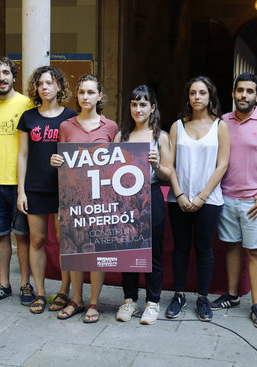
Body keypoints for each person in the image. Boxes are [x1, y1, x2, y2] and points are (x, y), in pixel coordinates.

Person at [209, 72, 257, 329]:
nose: (244, 95)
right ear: (233, 94)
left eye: (249, 91)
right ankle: (231, 295)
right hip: (227, 196)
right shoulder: (222, 122)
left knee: (254, 251)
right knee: (231, 246)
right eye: (240, 90)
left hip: (255, 201)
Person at [50, 74, 118, 323]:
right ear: (76, 95)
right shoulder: (66, 126)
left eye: (91, 92)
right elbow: (63, 165)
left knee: (97, 250)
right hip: (72, 199)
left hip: (101, 200)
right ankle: (76, 300)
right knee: (74, 248)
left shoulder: (111, 127)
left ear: (100, 96)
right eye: (82, 92)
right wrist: (56, 161)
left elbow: (117, 165)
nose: (86, 97)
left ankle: (94, 302)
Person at [165, 75, 230, 322]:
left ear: (210, 96)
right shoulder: (177, 126)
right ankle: (179, 295)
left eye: (202, 93)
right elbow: (168, 165)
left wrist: (202, 196)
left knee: (204, 249)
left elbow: (222, 165)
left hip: (209, 200)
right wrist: (180, 194)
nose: (197, 97)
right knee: (180, 248)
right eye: (193, 93)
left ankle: (202, 298)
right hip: (177, 198)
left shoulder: (220, 126)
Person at [17, 66, 77, 314]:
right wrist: (21, 191)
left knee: (65, 241)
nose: (45, 87)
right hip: (35, 187)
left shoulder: (72, 117)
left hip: (64, 189)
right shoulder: (28, 118)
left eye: (50, 83)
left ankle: (64, 290)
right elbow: (22, 155)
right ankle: (40, 292)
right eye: (41, 83)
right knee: (38, 240)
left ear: (59, 87)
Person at [0, 56, 36, 307]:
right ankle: (4, 285)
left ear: (14, 76)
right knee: (0, 235)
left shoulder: (28, 103)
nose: (1, 77)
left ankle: (25, 284)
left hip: (21, 183)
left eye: (5, 72)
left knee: (23, 236)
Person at [114, 85, 173, 325]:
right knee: (128, 250)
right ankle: (129, 300)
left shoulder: (162, 137)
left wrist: (157, 164)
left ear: (153, 108)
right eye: (134, 104)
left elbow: (168, 174)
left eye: (143, 104)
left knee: (152, 251)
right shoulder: (121, 136)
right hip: (126, 201)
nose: (138, 109)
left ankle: (153, 302)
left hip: (152, 195)